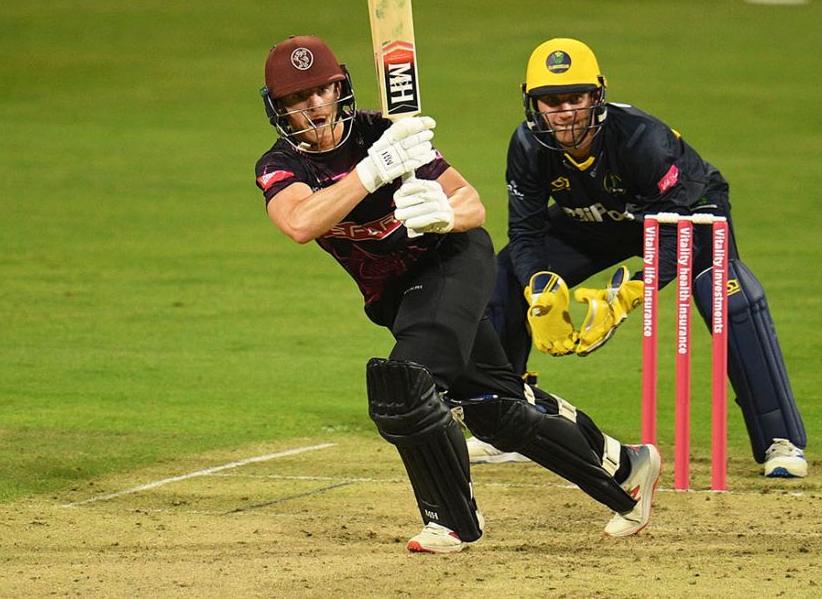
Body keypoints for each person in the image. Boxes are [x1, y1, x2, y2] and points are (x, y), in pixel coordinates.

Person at [254, 34, 662, 554]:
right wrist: (371, 172)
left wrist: (444, 213)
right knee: (495, 409)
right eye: (297, 97)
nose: (313, 105)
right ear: (278, 108)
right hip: (397, 296)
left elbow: (472, 204)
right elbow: (299, 222)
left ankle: (451, 521)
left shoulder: (387, 130)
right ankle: (627, 470)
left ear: (340, 88)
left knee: (404, 389)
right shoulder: (283, 164)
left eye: (321, 90)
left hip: (451, 261)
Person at [471, 38, 808, 479]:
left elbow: (672, 238)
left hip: (686, 213)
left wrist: (632, 293)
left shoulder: (642, 140)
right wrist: (539, 287)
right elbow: (526, 231)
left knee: (727, 298)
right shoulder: (527, 146)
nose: (566, 112)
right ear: (533, 103)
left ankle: (780, 441)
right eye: (552, 102)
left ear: (597, 95)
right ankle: (507, 425)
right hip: (595, 217)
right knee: (501, 280)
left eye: (576, 98)